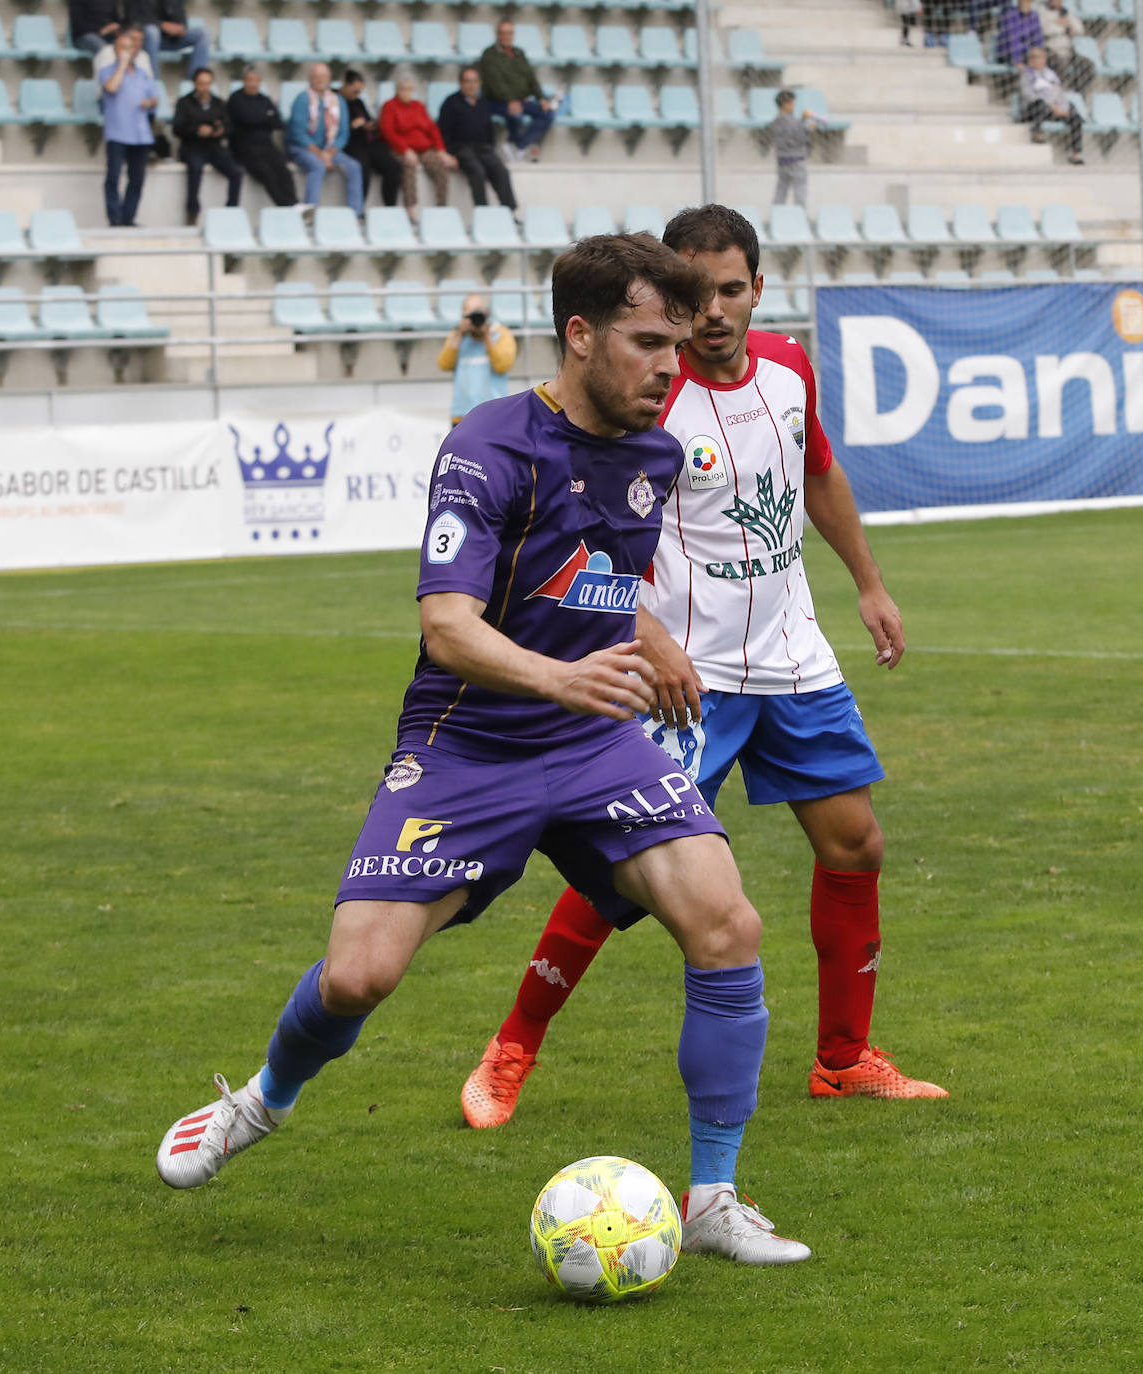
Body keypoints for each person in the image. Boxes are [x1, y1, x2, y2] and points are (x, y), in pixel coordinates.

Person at [156, 232, 813, 1268]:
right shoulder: (489, 446)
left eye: (678, 346)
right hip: (467, 745)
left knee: (726, 920)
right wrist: (568, 676)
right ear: (581, 334)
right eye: (647, 343)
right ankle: (258, 1103)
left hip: (594, 741)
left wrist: (648, 639)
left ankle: (714, 1195)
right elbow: (448, 626)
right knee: (358, 978)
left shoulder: (651, 452)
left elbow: (595, 576)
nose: (667, 369)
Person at [460, 205, 949, 1134]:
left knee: (856, 846)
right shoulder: (643, 394)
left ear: (757, 290)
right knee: (618, 878)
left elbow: (816, 475)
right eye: (693, 292)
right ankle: (513, 1045)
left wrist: (869, 584)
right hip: (688, 675)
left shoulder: (790, 367)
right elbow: (583, 545)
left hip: (794, 656)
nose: (712, 310)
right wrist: (651, 639)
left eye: (729, 289)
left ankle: (843, 1060)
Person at [285, 63, 364, 216]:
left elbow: (343, 133)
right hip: (303, 149)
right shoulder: (302, 99)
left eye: (323, 76)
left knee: (354, 166)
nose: (320, 80)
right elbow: (298, 133)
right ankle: (311, 212)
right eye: (316, 76)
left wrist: (330, 153)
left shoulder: (338, 101)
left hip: (329, 149)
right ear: (310, 79)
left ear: (329, 79)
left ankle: (356, 213)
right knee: (317, 166)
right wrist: (320, 155)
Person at [99, 27, 158, 227]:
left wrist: (149, 102)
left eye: (130, 48)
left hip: (140, 134)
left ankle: (128, 217)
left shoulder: (142, 74)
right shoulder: (107, 71)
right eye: (122, 48)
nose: (126, 52)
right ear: (115, 50)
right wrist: (122, 65)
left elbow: (154, 97)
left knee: (137, 179)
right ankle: (114, 218)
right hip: (118, 133)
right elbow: (111, 87)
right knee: (113, 177)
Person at [438, 67, 518, 212]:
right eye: (468, 81)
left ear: (479, 83)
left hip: (483, 147)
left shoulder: (483, 103)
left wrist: (491, 148)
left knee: (501, 170)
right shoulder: (450, 103)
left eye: (475, 81)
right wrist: (449, 154)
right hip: (460, 147)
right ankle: (483, 212)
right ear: (461, 83)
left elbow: (489, 130)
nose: (471, 85)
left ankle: (509, 211)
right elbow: (443, 131)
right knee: (477, 171)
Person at [379, 76, 457, 224]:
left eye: (410, 89)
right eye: (403, 89)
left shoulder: (418, 106)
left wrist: (440, 150)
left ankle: (442, 206)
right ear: (397, 91)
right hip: (401, 148)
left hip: (424, 148)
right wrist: (405, 149)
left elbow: (432, 129)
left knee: (440, 166)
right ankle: (410, 209)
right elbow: (387, 131)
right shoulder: (389, 106)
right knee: (408, 165)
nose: (406, 93)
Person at [172, 67, 242, 226]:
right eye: (201, 84)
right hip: (192, 146)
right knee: (195, 169)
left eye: (208, 84)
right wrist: (197, 131)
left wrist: (219, 131)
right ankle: (192, 212)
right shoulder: (184, 103)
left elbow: (229, 127)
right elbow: (177, 128)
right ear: (195, 83)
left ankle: (231, 211)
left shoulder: (218, 103)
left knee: (236, 172)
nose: (204, 88)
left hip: (214, 146)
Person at [479, 19, 555, 163]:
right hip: (496, 101)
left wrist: (541, 98)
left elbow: (531, 78)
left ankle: (519, 145)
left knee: (547, 113)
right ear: (497, 35)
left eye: (510, 33)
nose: (507, 36)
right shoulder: (489, 55)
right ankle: (515, 145)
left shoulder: (519, 53)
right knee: (515, 113)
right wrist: (511, 100)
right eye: (503, 33)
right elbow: (496, 83)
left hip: (520, 100)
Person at [437, 293, 517, 425]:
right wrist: (460, 334)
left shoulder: (501, 334)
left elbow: (503, 366)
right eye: (470, 314)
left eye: (478, 312)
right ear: (464, 316)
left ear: (486, 312)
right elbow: (444, 364)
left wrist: (486, 337)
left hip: (494, 415)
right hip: (462, 416)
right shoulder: (457, 337)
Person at [227, 68, 296, 208]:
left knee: (284, 170)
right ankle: (286, 206)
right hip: (245, 148)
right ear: (244, 81)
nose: (253, 84)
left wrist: (258, 118)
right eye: (250, 80)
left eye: (256, 81)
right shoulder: (236, 99)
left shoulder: (264, 99)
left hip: (266, 146)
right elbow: (248, 119)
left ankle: (295, 204)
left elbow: (277, 122)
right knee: (267, 174)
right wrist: (265, 117)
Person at [339, 70, 402, 209]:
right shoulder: (336, 100)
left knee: (392, 166)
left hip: (367, 142)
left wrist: (371, 125)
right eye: (354, 91)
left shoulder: (358, 102)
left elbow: (368, 119)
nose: (357, 95)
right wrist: (353, 126)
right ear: (345, 85)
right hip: (349, 143)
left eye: (359, 92)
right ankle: (359, 209)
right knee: (362, 167)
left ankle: (390, 207)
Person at [1020, 45, 1084, 164]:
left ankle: (1076, 154)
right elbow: (1029, 95)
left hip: (1053, 110)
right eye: (1035, 58)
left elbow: (1059, 93)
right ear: (1030, 61)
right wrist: (1050, 105)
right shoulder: (1027, 75)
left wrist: (1063, 109)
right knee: (1040, 104)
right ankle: (1037, 133)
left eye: (1041, 57)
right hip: (1035, 109)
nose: (1039, 60)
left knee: (1074, 115)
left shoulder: (1051, 74)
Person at [125, 0, 210, 80]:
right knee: (152, 31)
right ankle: (153, 81)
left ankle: (197, 82)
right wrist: (162, 25)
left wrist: (181, 27)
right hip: (148, 41)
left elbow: (181, 17)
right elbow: (134, 19)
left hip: (172, 39)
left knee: (203, 33)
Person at [770, 91, 819, 209]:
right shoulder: (791, 121)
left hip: (782, 160)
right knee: (800, 192)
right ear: (785, 104)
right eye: (792, 103)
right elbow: (799, 138)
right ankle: (800, 215)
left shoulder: (776, 121)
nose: (793, 106)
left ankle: (776, 213)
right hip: (796, 160)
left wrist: (801, 123)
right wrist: (807, 127)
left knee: (781, 190)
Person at [996, 0, 1044, 67]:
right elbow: (1012, 40)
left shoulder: (1034, 16)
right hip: (1009, 54)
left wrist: (1039, 54)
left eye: (1028, 1)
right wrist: (1017, 60)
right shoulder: (1010, 15)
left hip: (1027, 53)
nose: (1026, 3)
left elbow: (1038, 39)